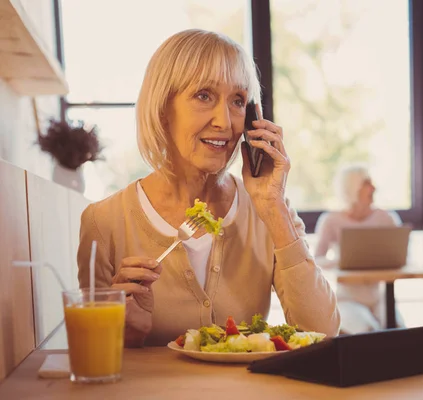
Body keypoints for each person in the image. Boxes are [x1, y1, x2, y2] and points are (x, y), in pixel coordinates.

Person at [76, 29, 341, 347]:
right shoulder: (103, 223)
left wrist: (274, 208)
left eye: (238, 102)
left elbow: (324, 336)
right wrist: (128, 336)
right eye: (204, 96)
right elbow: (94, 358)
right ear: (163, 109)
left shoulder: (271, 210)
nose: (226, 123)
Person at [314, 164, 405, 333]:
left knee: (398, 329)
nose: (373, 188)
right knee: (367, 331)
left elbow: (402, 257)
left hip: (381, 298)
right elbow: (316, 260)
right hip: (347, 299)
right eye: (367, 183)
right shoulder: (331, 220)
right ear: (352, 187)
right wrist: (342, 261)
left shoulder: (386, 218)